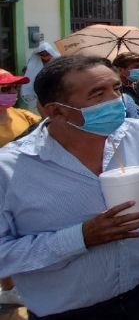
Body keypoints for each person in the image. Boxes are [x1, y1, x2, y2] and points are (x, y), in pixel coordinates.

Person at [0, 55, 139, 319]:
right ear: (55, 110)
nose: (116, 100)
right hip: (70, 310)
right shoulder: (9, 170)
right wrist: (80, 238)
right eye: (98, 94)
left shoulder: (138, 133)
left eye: (116, 88)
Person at [0, 69, 40, 307]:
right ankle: (8, 286)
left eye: (13, 89)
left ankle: (14, 284)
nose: (11, 93)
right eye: (4, 90)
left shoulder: (23, 115)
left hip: (23, 186)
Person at [21, 42, 60, 112]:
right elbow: (29, 73)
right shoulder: (34, 61)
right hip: (40, 88)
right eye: (42, 55)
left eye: (47, 54)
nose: (45, 56)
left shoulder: (58, 59)